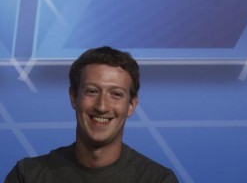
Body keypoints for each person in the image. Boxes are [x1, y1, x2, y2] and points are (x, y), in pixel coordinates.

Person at [5, 46, 179, 183]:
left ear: (131, 105)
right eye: (92, 91)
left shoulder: (157, 180)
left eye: (116, 94)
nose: (102, 106)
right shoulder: (28, 176)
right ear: (74, 98)